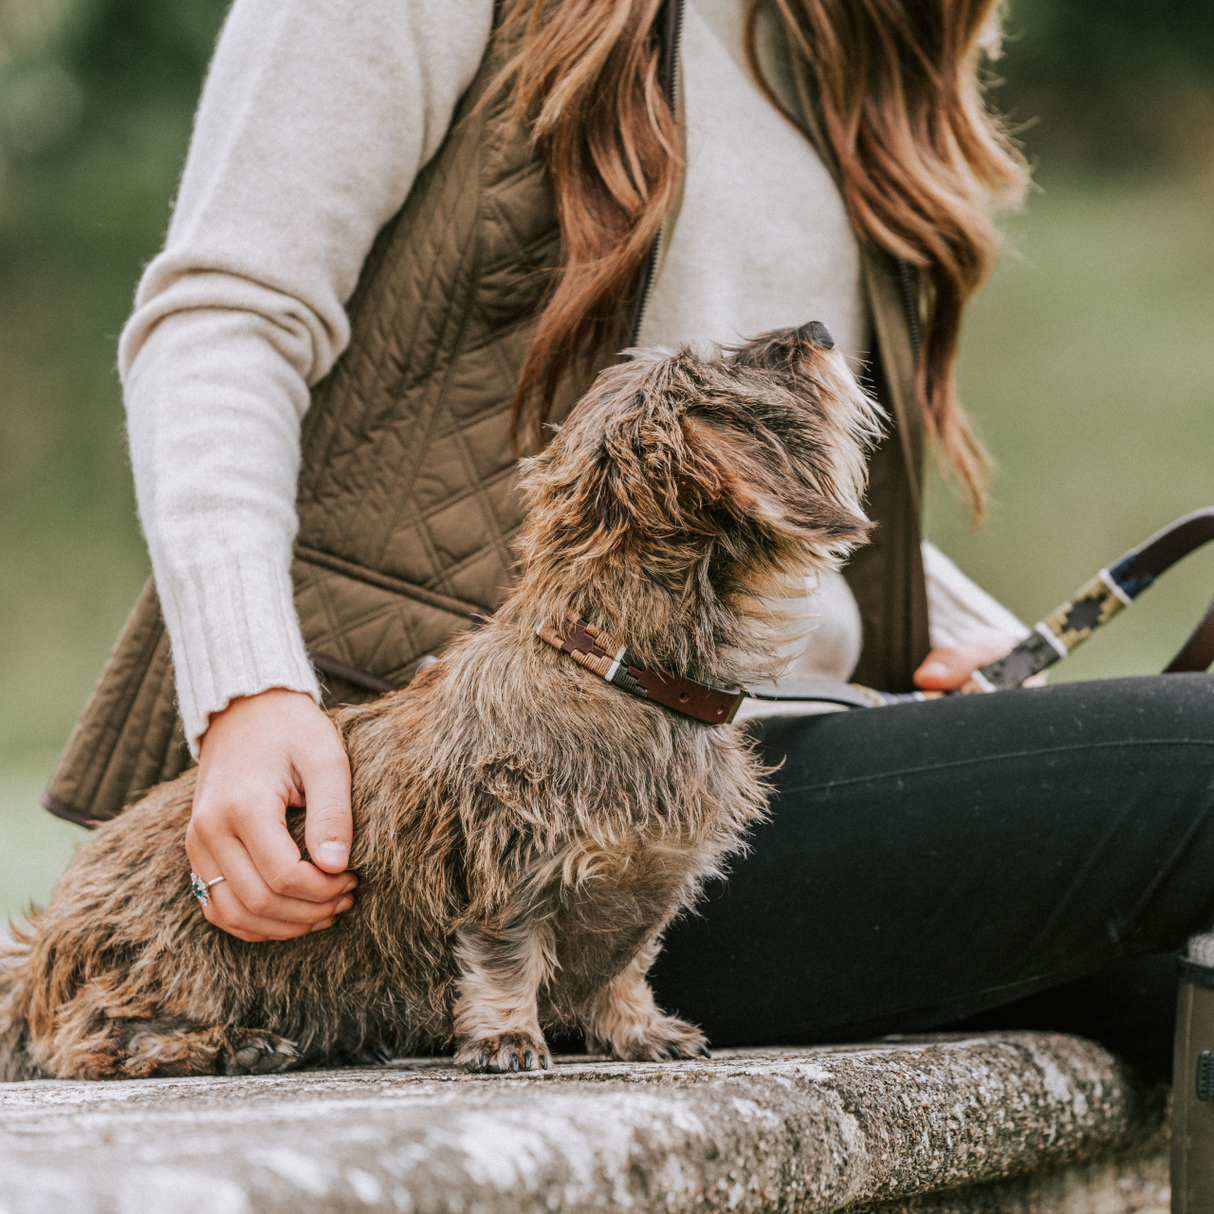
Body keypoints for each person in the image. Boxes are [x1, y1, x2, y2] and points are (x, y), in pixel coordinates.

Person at [60, 0, 1214, 1114]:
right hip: (451, 823)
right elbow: (225, 316)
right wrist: (250, 687)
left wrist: (959, 634)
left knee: (1182, 985)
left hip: (750, 749)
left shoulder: (836, 33)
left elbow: (757, 489)